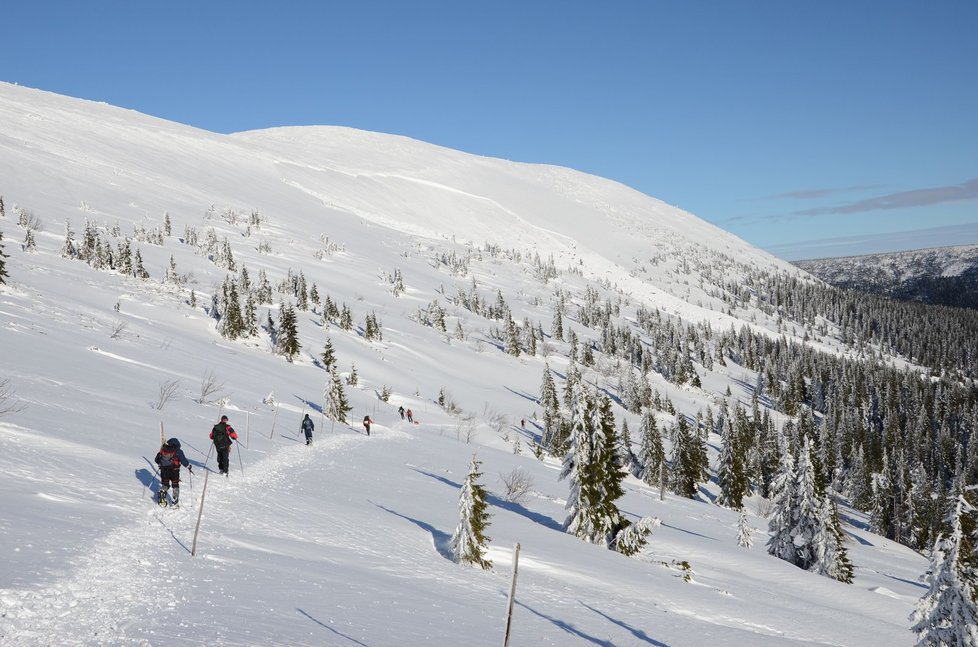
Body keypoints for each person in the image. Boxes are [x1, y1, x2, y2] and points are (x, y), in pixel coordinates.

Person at [155, 437, 192, 506]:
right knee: (175, 485)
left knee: (165, 484)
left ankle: (162, 492)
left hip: (164, 471)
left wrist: (162, 463)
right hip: (174, 471)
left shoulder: (163, 449)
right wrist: (188, 466)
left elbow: (156, 460)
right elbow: (184, 461)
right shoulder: (178, 451)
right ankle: (175, 500)